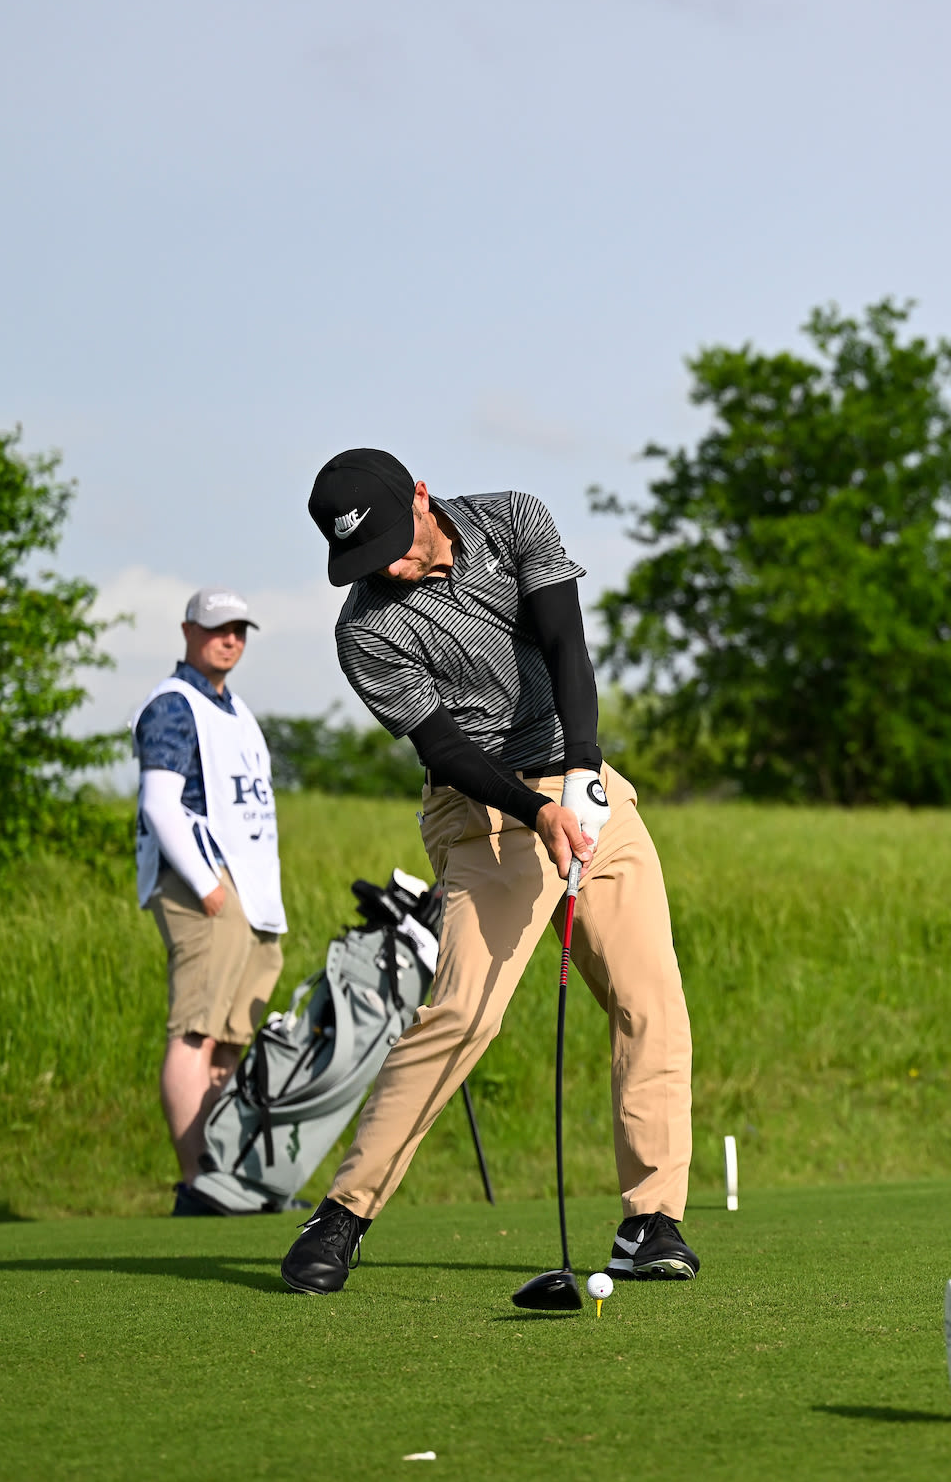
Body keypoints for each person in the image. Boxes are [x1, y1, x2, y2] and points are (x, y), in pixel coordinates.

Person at [281, 447, 697, 1295]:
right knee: (464, 1013)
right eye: (364, 561)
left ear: (423, 498)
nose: (387, 569)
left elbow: (565, 640)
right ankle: (343, 1214)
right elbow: (445, 748)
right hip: (483, 816)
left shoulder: (514, 517)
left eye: (393, 544)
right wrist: (538, 810)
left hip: (584, 791)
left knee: (650, 1000)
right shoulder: (365, 631)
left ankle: (651, 1220)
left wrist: (581, 774)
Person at [132, 586, 286, 1217]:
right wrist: (208, 885)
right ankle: (198, 1181)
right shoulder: (173, 705)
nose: (231, 639)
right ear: (189, 630)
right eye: (218, 628)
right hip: (206, 886)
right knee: (195, 1031)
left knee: (228, 1038)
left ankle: (228, 1180)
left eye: (239, 629)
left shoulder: (235, 710)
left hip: (247, 892)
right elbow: (159, 803)